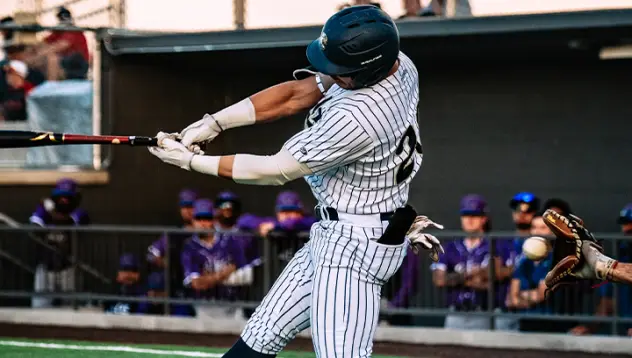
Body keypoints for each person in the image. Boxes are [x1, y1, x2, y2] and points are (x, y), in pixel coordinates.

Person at [148, 5, 442, 357]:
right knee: (261, 335)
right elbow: (296, 94)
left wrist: (192, 161)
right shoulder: (399, 63)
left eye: (340, 69)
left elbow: (276, 169)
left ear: (366, 70)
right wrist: (214, 122)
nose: (328, 73)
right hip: (343, 229)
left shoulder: (360, 117)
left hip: (355, 247)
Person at [432, 194, 511, 330]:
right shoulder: (450, 247)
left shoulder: (496, 245)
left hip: (485, 312)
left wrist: (459, 277)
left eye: (474, 215)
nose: (469, 220)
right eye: (465, 215)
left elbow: (500, 273)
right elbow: (439, 279)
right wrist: (471, 275)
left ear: (484, 218)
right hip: (456, 312)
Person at [567, 204, 632, 336]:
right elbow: (608, 302)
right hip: (622, 331)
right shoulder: (620, 255)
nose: (627, 229)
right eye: (625, 224)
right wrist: (590, 327)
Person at [181, 198, 248, 319]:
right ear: (193, 221)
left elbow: (244, 271)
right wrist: (222, 274)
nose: (202, 223)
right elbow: (197, 284)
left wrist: (208, 277)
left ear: (214, 220)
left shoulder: (229, 241)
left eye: (207, 218)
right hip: (205, 307)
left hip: (233, 304)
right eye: (199, 219)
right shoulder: (189, 248)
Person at [29, 178, 90, 308]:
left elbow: (67, 222)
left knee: (71, 308)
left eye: (67, 197)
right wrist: (45, 211)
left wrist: (50, 210)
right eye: (60, 197)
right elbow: (35, 227)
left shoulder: (80, 213)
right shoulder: (43, 211)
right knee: (40, 308)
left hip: (68, 268)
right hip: (46, 268)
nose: (63, 200)